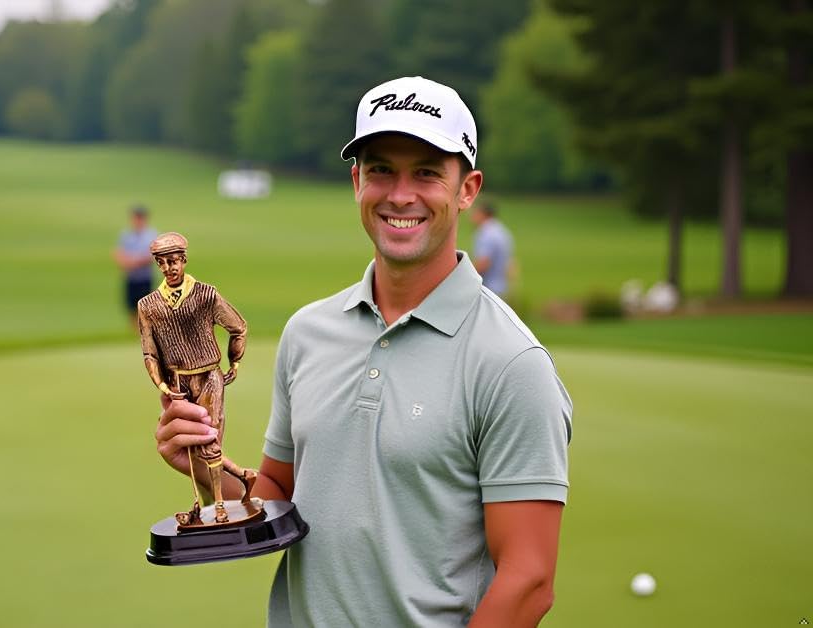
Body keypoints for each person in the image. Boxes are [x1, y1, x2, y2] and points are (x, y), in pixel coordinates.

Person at [153, 76, 573, 627]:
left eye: (427, 172)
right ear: (357, 181)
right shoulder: (308, 333)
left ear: (467, 189)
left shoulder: (512, 363)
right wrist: (206, 466)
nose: (400, 194)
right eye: (381, 170)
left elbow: (529, 580)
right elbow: (280, 495)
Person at [136, 232, 255, 526]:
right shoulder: (148, 305)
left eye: (174, 261)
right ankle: (241, 477)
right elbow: (150, 353)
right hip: (178, 381)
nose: (169, 268)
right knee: (195, 446)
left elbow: (238, 327)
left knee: (209, 441)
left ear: (184, 260)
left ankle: (220, 507)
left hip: (209, 375)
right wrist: (163, 385)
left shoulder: (206, 295)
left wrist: (235, 362)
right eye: (163, 263)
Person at [114, 205, 157, 327]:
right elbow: (118, 253)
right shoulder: (126, 235)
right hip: (131, 277)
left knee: (145, 308)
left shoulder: (151, 235)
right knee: (131, 308)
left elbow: (153, 256)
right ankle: (136, 332)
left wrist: (136, 262)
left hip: (145, 278)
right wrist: (125, 262)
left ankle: (146, 332)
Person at [470, 200, 514, 297]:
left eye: (475, 213)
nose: (471, 217)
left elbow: (483, 263)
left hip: (488, 290)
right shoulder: (502, 230)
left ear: (482, 214)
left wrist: (465, 279)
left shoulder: (486, 233)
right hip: (501, 288)